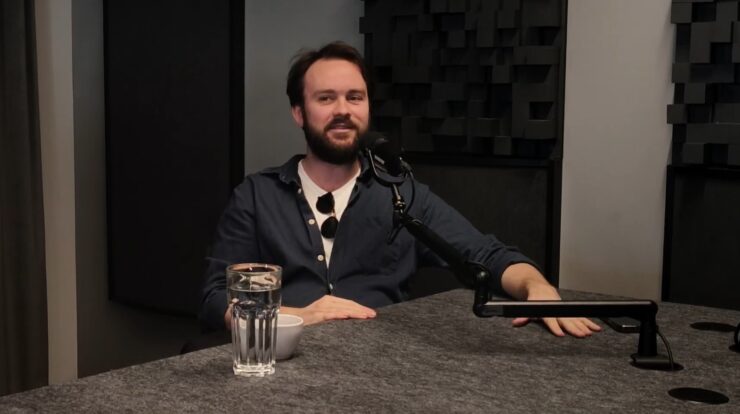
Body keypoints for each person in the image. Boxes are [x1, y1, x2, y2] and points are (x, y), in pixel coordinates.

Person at [200, 41, 601, 338]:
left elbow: (486, 256)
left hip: (381, 370)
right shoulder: (257, 196)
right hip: (283, 364)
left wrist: (537, 287)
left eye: (354, 97)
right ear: (299, 113)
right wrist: (297, 316)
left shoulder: (399, 194)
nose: (343, 110)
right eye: (326, 98)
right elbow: (216, 298)